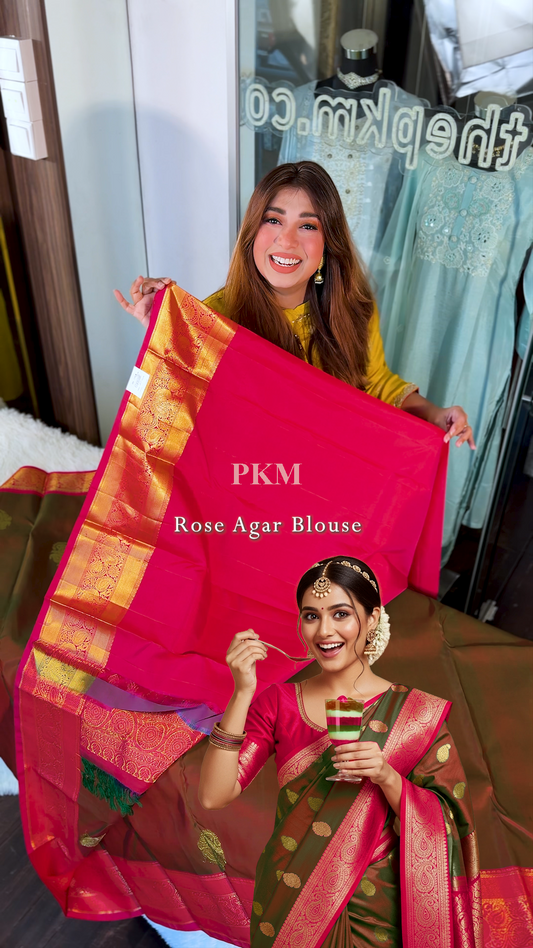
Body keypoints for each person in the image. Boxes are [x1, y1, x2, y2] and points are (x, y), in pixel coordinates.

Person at [198, 556, 480, 947]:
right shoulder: (280, 703)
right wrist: (242, 692)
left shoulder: (416, 714)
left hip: (380, 909)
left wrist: (387, 777)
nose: (324, 630)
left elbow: (448, 820)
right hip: (290, 897)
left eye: (341, 614)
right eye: (311, 616)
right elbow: (213, 795)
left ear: (373, 618)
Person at [115, 161, 475, 449]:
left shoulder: (355, 308)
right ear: (252, 233)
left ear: (328, 243)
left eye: (307, 226)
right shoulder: (216, 318)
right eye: (273, 220)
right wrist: (162, 335)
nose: (286, 240)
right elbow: (174, 418)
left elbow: (376, 383)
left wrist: (436, 413)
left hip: (326, 478)